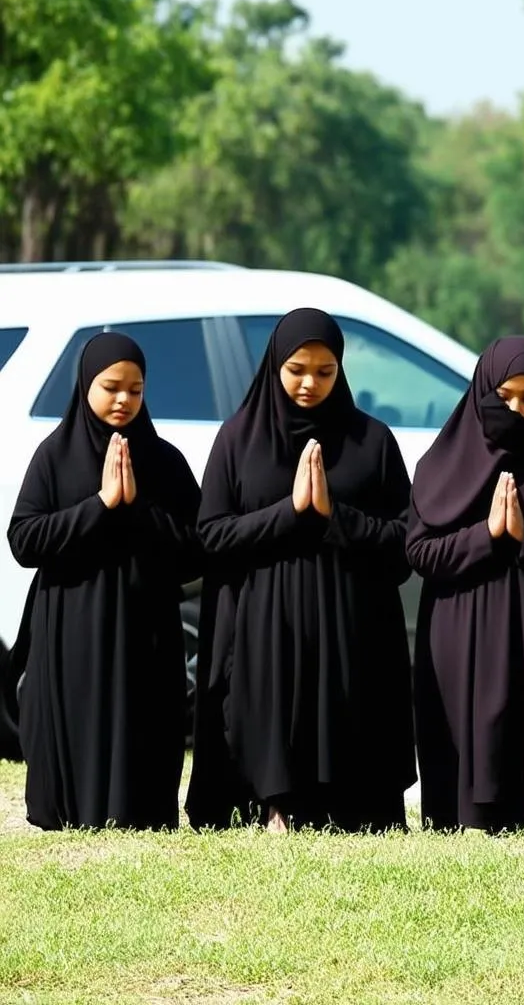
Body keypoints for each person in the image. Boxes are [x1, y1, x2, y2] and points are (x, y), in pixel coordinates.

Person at [184, 308, 416, 834]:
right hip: (263, 619)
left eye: (324, 371)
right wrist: (289, 514)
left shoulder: (371, 442)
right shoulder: (239, 439)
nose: (309, 383)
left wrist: (336, 515)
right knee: (268, 705)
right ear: (274, 366)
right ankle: (274, 807)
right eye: (297, 370)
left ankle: (350, 810)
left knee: (348, 713)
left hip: (351, 620)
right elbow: (212, 536)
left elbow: (404, 543)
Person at [7, 333, 202, 831]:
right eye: (111, 387)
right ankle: (70, 810)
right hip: (73, 622)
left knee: (144, 719)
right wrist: (100, 505)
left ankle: (143, 812)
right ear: (85, 385)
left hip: (146, 624)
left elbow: (196, 550)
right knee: (78, 718)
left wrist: (136, 508)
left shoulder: (164, 461)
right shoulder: (53, 456)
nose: (123, 400)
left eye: (135, 389)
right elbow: (24, 541)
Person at [407, 336, 524, 837]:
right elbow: (421, 553)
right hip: (459, 629)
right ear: (483, 389)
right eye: (505, 394)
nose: (514, 409)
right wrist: (485, 536)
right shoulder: (440, 465)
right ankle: (464, 816)